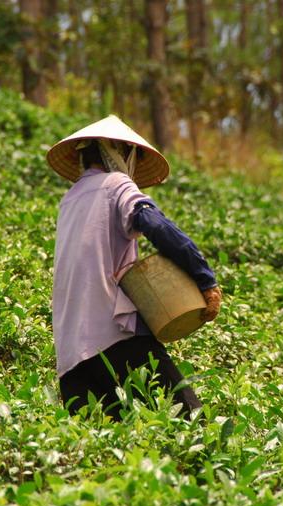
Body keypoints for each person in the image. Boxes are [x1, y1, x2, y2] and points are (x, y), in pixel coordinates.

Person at [46, 115, 222, 421]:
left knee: (106, 454)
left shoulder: (68, 200)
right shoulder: (117, 185)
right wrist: (205, 279)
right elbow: (156, 224)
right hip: (118, 339)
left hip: (71, 357)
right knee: (194, 427)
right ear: (117, 150)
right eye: (133, 156)